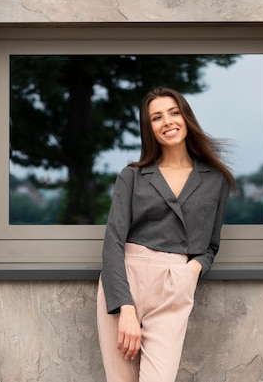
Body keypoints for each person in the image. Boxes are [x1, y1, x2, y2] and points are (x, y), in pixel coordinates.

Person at [96, 87, 235, 382]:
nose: (168, 122)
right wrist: (126, 308)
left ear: (186, 117)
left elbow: (210, 245)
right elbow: (113, 243)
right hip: (126, 280)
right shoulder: (132, 176)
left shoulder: (215, 179)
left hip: (175, 283)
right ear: (149, 129)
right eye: (156, 117)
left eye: (173, 112)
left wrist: (191, 271)